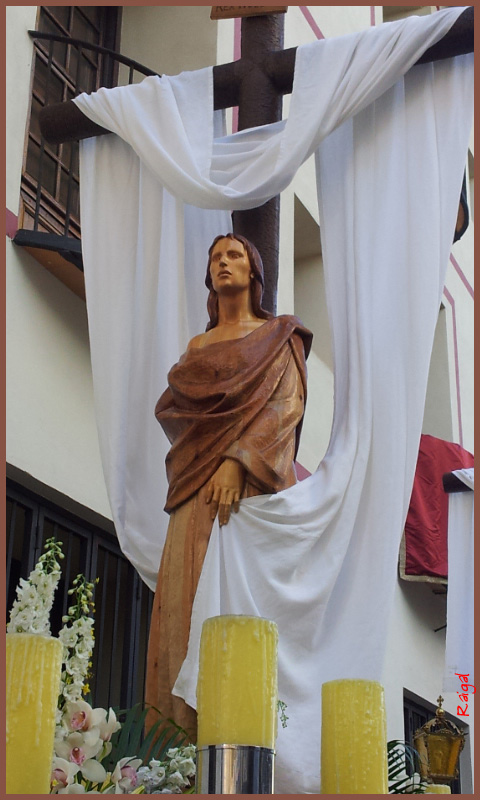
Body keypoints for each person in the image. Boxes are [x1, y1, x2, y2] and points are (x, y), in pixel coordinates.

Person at [145, 233, 312, 739]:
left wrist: (239, 460)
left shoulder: (279, 337)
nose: (223, 262)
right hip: (193, 487)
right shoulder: (197, 347)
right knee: (183, 602)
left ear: (253, 272)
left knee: (237, 608)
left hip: (248, 494)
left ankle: (240, 747)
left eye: (234, 255)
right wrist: (215, 455)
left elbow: (286, 406)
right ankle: (174, 749)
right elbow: (177, 408)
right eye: (216, 257)